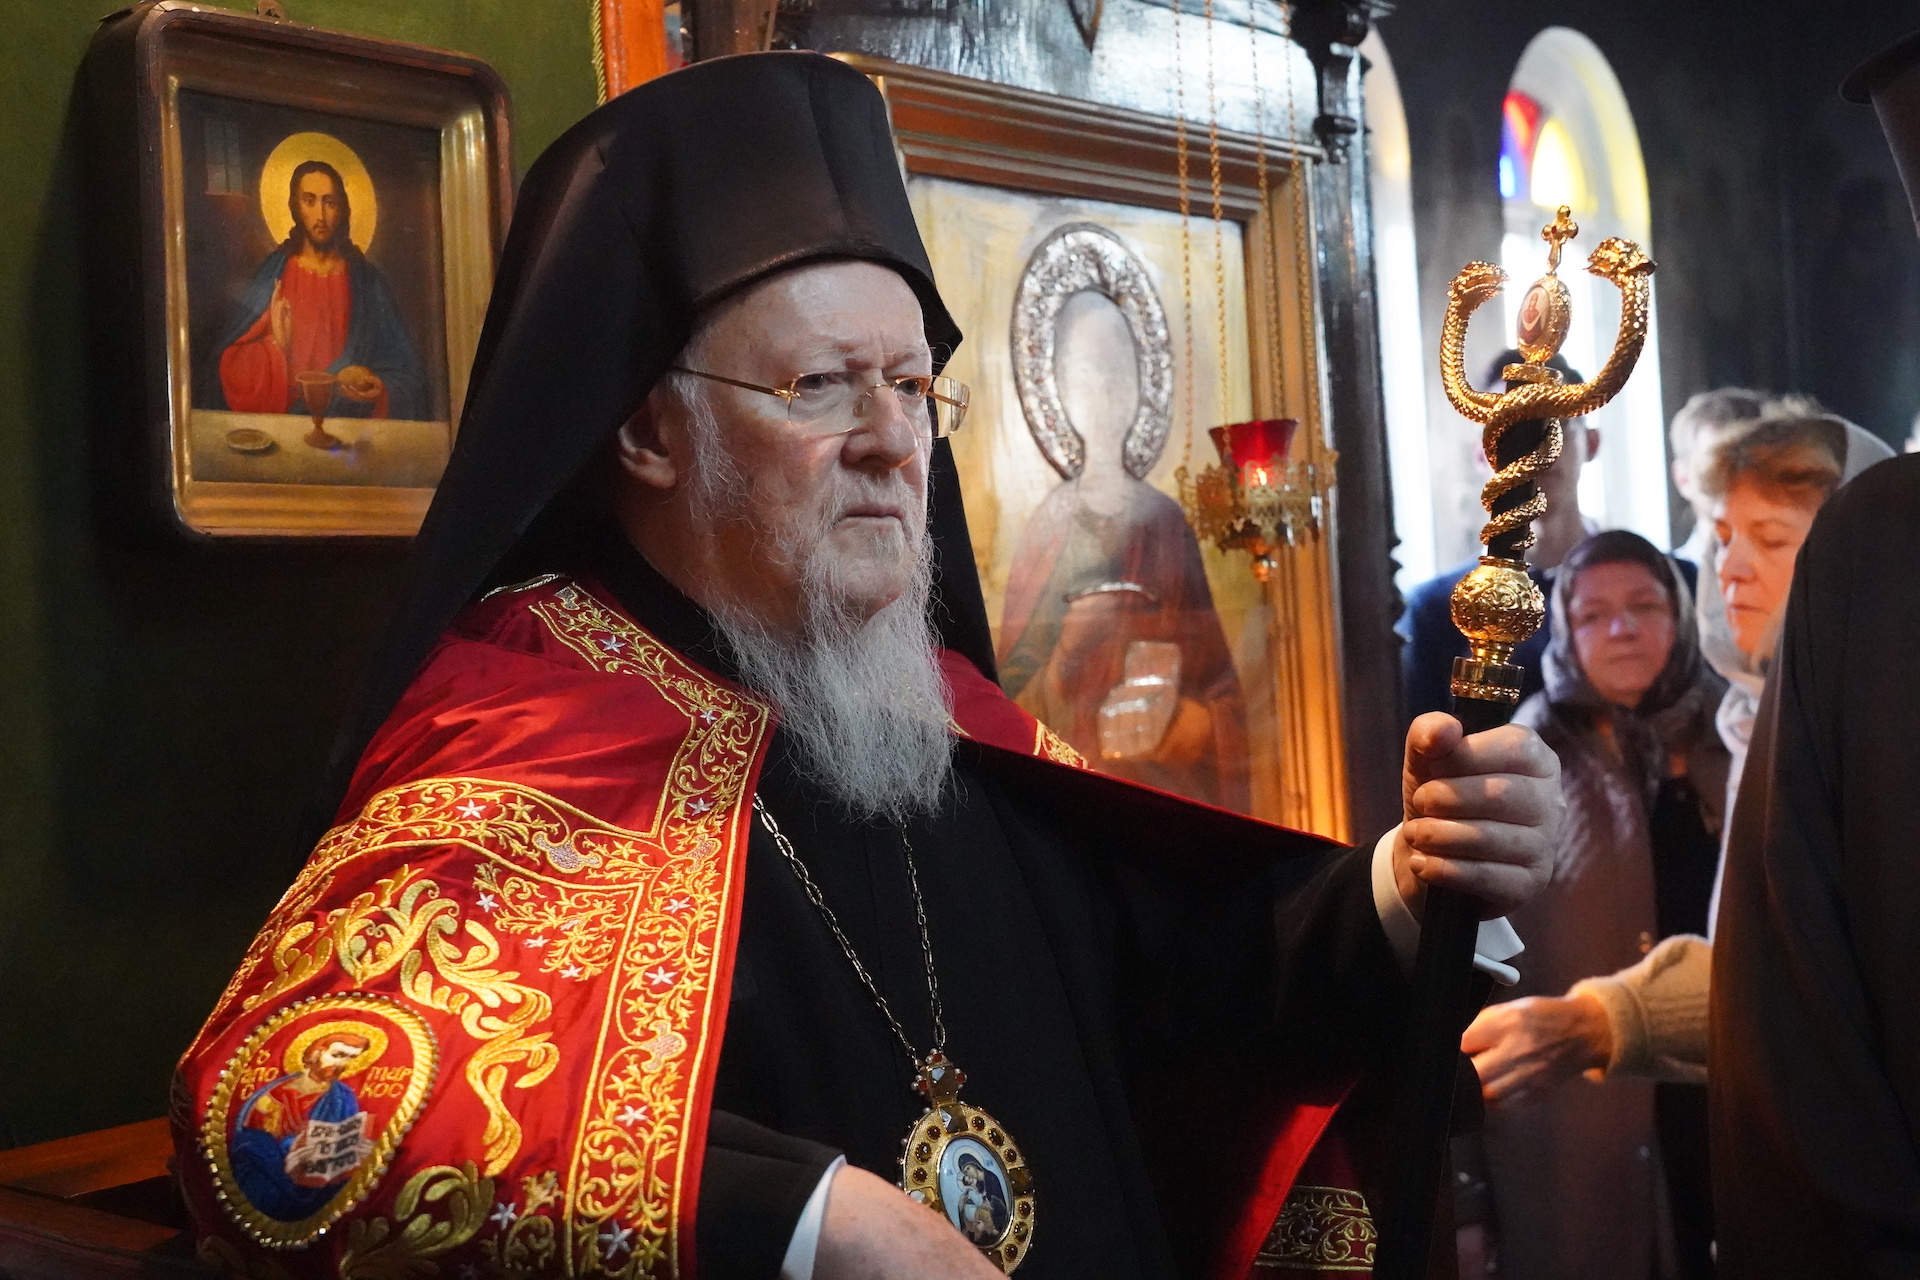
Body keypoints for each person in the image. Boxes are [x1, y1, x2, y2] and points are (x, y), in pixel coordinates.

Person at [170, 55, 1560, 1280]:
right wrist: (803, 1221)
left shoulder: (932, 710)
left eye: (910, 385)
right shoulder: (525, 719)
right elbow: (287, 1115)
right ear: (646, 433)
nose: (895, 441)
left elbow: (1187, 994)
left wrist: (1414, 879)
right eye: (821, 385)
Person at [1461, 403, 1890, 1273]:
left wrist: (1602, 1018)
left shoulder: (1860, 733)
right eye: (1721, 537)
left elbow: (1822, 985)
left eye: (1771, 538)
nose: (1729, 566)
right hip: (1598, 1149)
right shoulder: (1751, 720)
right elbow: (1765, 964)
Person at [1456, 531, 1728, 1280]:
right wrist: (1466, 1194)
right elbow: (1462, 976)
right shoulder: (1520, 760)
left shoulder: (1739, 738)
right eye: (1594, 614)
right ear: (1566, 633)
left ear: (1681, 615)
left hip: (1726, 1099)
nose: (1622, 628)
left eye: (1645, 606)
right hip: (1571, 1131)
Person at [996, 293, 1247, 809]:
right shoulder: (1048, 528)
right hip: (1071, 799)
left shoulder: (1166, 522)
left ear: (1140, 386)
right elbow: (1004, 706)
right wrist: (1066, 656)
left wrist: (1198, 723)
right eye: (1087, 373)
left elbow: (1221, 688)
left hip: (1164, 797)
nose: (1105, 391)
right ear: (1061, 387)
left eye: (1119, 372)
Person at [1398, 351, 1600, 722]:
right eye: (1512, 435)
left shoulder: (1665, 584)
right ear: (1482, 455)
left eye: (1554, 427)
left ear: (1591, 443)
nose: (1536, 453)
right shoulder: (1438, 611)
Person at [209, 159, 428, 421]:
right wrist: (275, 345)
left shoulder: (368, 282)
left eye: (330, 203)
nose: (320, 216)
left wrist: (375, 384)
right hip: (287, 424)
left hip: (350, 423)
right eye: (309, 201)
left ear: (342, 209)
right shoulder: (274, 273)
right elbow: (229, 365)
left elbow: (407, 374)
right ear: (295, 206)